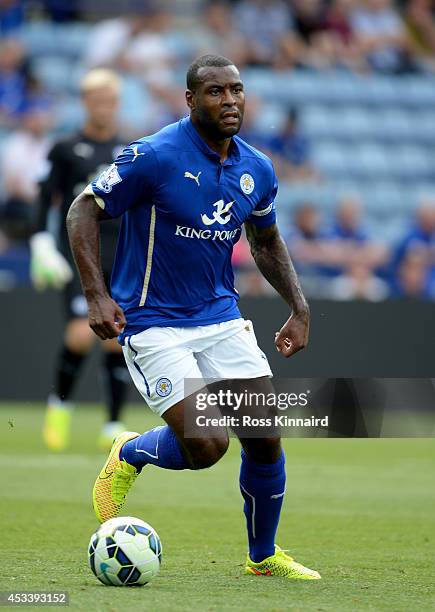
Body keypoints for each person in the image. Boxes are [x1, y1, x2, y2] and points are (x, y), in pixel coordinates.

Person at [67, 55, 320, 580]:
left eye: (236, 91)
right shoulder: (153, 155)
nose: (229, 102)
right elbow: (82, 210)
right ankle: (131, 451)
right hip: (153, 320)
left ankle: (263, 556)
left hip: (220, 316)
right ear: (190, 100)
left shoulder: (257, 168)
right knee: (207, 446)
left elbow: (266, 239)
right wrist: (96, 295)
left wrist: (299, 307)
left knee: (263, 433)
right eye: (214, 93)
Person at [30, 69, 129, 451]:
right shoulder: (66, 148)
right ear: (86, 103)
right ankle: (60, 406)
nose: (104, 108)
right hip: (78, 253)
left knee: (116, 339)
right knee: (80, 333)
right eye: (97, 100)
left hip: (120, 254)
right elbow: (45, 196)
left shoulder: (129, 151)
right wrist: (41, 242)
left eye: (110, 101)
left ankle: (113, 423)